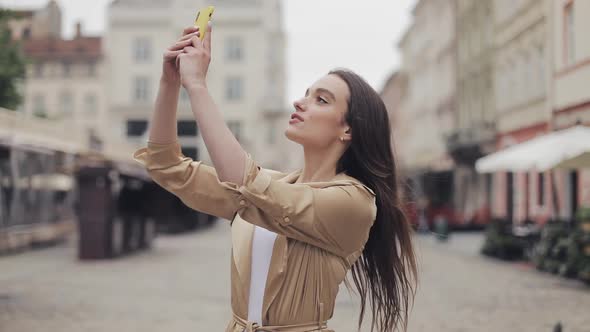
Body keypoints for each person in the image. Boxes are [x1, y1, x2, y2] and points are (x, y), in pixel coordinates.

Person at [133, 23, 417, 332]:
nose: (300, 102)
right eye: (306, 94)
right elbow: (166, 166)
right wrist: (170, 82)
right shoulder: (269, 188)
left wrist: (198, 86)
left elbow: (244, 181)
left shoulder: (354, 201)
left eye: (321, 100)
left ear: (348, 129)